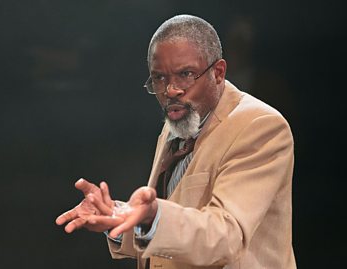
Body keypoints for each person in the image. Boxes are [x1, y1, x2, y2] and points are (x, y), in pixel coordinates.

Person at [56, 14, 296, 269]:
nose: (171, 90)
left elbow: (225, 235)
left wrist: (155, 216)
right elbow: (175, 228)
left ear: (218, 72)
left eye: (185, 74)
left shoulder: (259, 126)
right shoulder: (178, 124)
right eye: (159, 78)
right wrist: (118, 219)